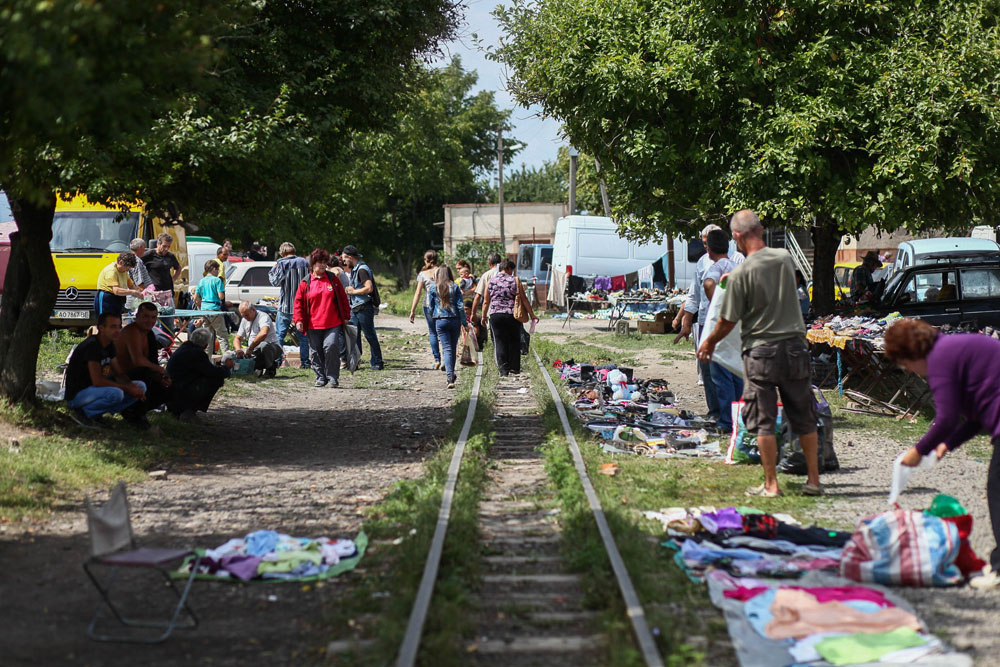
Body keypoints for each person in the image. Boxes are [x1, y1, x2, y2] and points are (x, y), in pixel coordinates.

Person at [697, 209, 821, 498]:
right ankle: (814, 481)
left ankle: (771, 485)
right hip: (794, 349)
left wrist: (710, 342)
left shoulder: (740, 275)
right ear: (762, 229)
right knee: (804, 416)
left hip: (760, 353)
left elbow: (727, 321)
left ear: (737, 236)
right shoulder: (784, 259)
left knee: (763, 420)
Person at [886, 319, 1000, 589]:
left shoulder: (939, 359)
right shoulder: (952, 348)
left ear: (911, 353)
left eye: (905, 364)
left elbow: (947, 418)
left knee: (997, 490)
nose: (910, 371)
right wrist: (947, 445)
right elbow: (976, 417)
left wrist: (918, 450)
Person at [674, 224, 724, 419]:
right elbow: (693, 296)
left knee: (726, 369)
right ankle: (715, 411)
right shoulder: (702, 262)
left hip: (728, 323)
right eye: (704, 244)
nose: (707, 248)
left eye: (709, 244)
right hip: (704, 322)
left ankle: (729, 413)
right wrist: (686, 323)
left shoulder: (737, 261)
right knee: (706, 370)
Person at [64, 312, 147, 428]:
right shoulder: (92, 346)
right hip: (78, 395)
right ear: (101, 328)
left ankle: (96, 414)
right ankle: (83, 414)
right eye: (113, 327)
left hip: (95, 391)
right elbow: (97, 381)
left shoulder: (109, 345)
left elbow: (118, 372)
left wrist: (133, 387)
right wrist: (126, 387)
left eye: (119, 327)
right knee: (116, 393)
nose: (117, 330)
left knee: (141, 386)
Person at [701, 229, 745, 436]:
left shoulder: (717, 267)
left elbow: (709, 283)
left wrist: (717, 304)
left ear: (708, 249)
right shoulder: (739, 267)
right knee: (737, 372)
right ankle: (739, 418)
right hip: (738, 326)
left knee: (720, 374)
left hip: (721, 326)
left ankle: (726, 421)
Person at [294, 248, 352, 387]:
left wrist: (346, 316)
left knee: (331, 346)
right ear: (312, 264)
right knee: (316, 351)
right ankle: (320, 376)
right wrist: (299, 320)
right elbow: (298, 303)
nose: (322, 265)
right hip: (313, 324)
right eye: (319, 262)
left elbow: (343, 299)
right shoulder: (305, 283)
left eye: (324, 262)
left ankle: (332, 377)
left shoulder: (333, 280)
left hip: (332, 322)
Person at [116, 302, 171, 428]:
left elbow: (152, 362)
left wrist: (161, 377)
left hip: (140, 373)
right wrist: (158, 369)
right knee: (145, 378)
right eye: (146, 316)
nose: (149, 321)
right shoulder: (131, 331)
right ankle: (132, 413)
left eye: (153, 317)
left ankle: (138, 413)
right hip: (122, 376)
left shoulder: (150, 334)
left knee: (166, 388)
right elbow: (137, 360)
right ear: (137, 317)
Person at [166, 327, 234, 423]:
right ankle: (189, 411)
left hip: (173, 389)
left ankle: (183, 410)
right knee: (216, 380)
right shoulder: (197, 353)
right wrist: (226, 368)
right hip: (179, 392)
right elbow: (213, 373)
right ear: (206, 345)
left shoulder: (185, 347)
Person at [482, 259, 534, 377]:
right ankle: (514, 367)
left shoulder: (491, 281)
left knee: (499, 342)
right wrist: (532, 314)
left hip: (495, 315)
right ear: (509, 269)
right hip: (512, 315)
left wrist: (484, 316)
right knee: (514, 340)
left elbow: (486, 301)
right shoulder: (515, 280)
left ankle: (503, 370)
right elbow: (524, 299)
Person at [269, 242, 311, 370]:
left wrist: (273, 268)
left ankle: (277, 360)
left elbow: (274, 282)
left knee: (279, 336)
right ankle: (305, 362)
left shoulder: (282, 263)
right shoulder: (305, 263)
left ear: (282, 253)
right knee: (303, 336)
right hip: (302, 307)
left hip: (286, 307)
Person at [341, 245, 384, 370]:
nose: (343, 261)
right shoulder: (356, 268)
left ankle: (377, 362)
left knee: (370, 335)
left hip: (363, 307)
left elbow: (368, 288)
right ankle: (355, 362)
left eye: (344, 258)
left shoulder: (362, 270)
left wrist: (353, 292)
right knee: (354, 335)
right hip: (355, 307)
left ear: (350, 257)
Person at [427, 265, 465, 388]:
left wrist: (433, 318)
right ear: (449, 274)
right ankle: (451, 375)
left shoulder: (433, 288)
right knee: (452, 348)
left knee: (447, 348)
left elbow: (430, 306)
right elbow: (460, 306)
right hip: (454, 320)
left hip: (440, 320)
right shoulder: (455, 287)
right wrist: (464, 322)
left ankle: (450, 377)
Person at [408, 250, 442, 370]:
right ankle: (447, 359)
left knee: (433, 332)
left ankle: (437, 360)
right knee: (443, 332)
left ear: (426, 260)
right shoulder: (442, 271)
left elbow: (417, 293)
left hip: (428, 305)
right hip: (443, 305)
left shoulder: (423, 274)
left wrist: (412, 310)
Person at [233, 301, 283, 378]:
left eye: (246, 315)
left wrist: (251, 348)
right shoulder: (244, 320)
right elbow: (237, 338)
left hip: (271, 348)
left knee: (264, 346)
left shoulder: (263, 317)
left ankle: (270, 368)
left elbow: (263, 333)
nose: (245, 318)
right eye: (243, 316)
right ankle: (257, 368)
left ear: (253, 310)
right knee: (229, 355)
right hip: (253, 350)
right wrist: (238, 350)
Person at [194, 260, 228, 354]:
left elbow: (195, 298)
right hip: (215, 309)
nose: (218, 272)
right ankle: (226, 359)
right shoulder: (217, 280)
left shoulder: (201, 281)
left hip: (204, 310)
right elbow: (221, 296)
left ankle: (207, 360)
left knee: (208, 337)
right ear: (213, 269)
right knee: (222, 335)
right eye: (217, 269)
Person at [94, 251, 143, 316]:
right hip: (106, 298)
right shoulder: (111, 271)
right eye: (126, 268)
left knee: (116, 321)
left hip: (118, 299)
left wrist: (142, 293)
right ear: (120, 262)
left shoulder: (124, 271)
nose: (126, 271)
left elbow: (131, 286)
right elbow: (116, 290)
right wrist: (133, 292)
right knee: (105, 321)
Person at [470, 252, 502, 347]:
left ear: (489, 263)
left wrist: (473, 313)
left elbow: (478, 296)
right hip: (509, 311)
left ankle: (499, 358)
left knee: (495, 338)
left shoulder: (487, 275)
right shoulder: (508, 273)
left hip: (493, 312)